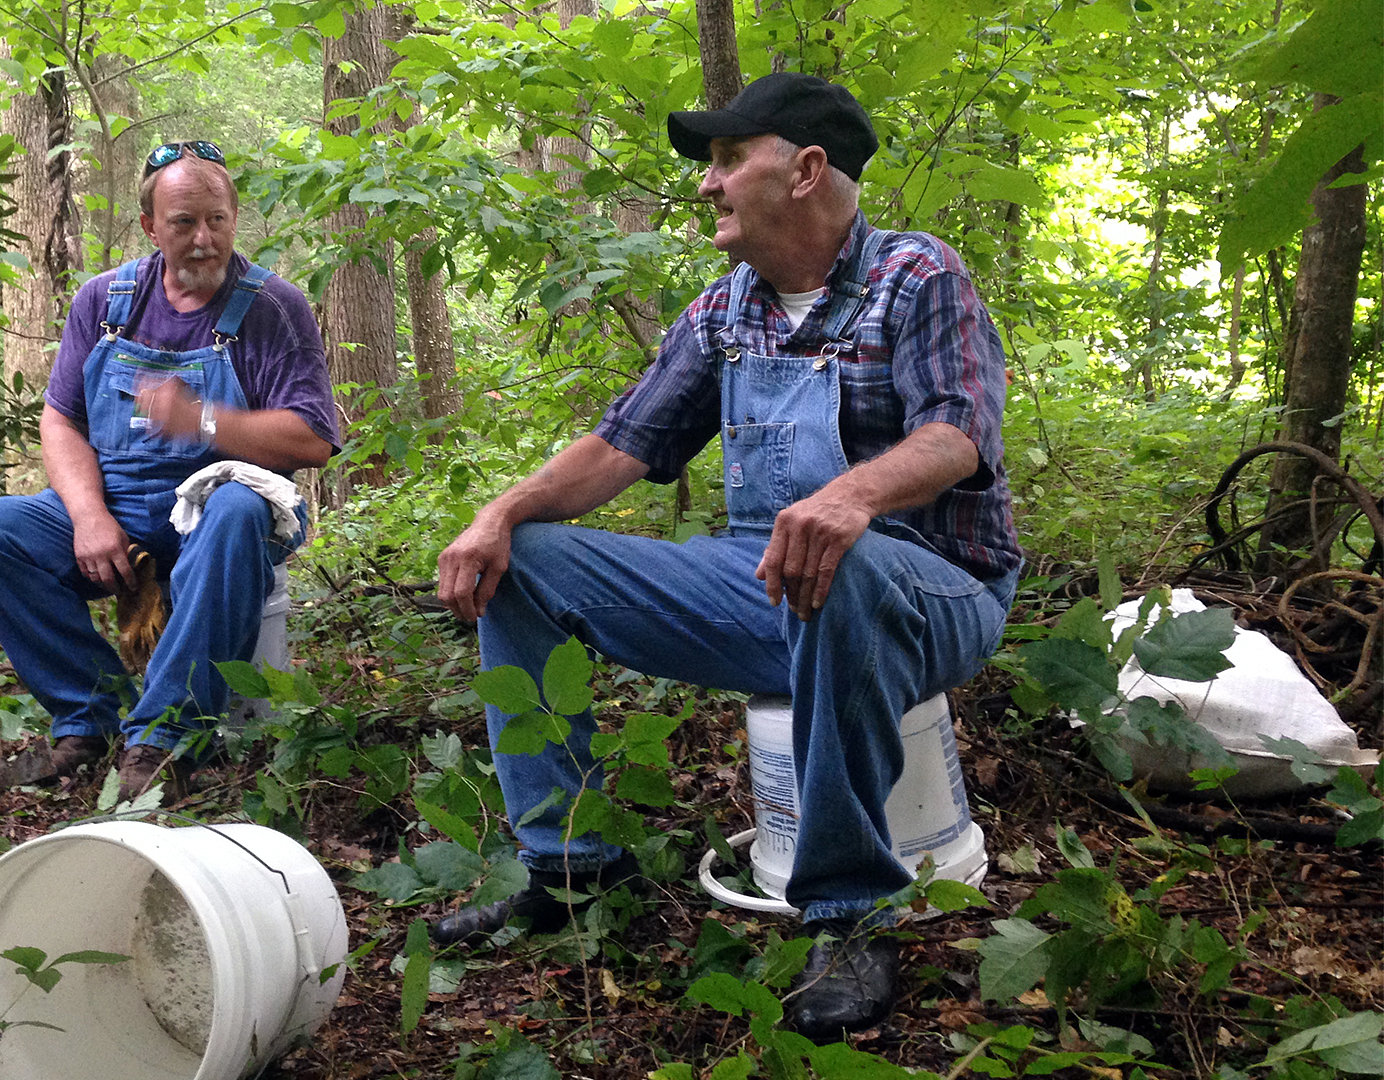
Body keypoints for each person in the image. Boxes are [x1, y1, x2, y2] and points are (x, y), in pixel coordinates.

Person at [430, 74, 1021, 1040]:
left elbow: (960, 431)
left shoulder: (918, 276)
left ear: (806, 170)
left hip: (933, 588)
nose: (707, 185)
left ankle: (848, 909)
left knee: (852, 561)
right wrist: (503, 511)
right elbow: (623, 446)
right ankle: (570, 866)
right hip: (764, 586)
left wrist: (851, 497)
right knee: (526, 561)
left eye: (727, 159)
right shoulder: (723, 311)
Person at [0, 140, 339, 798]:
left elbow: (312, 439)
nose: (203, 239)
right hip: (119, 507)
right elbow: (61, 421)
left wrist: (206, 421)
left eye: (217, 220)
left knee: (236, 510)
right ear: (149, 227)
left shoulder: (271, 308)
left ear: (234, 217)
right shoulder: (107, 301)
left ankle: (165, 739)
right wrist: (87, 515)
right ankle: (91, 718)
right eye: (184, 222)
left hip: (221, 511)